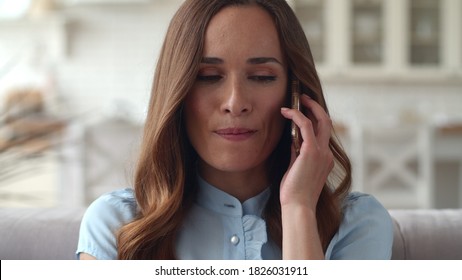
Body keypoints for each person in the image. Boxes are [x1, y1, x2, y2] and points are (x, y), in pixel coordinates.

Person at [77, 0, 393, 260]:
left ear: (297, 97)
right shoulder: (116, 225)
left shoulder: (358, 223)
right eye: (209, 76)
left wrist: (298, 209)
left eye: (262, 76)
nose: (235, 102)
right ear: (177, 94)